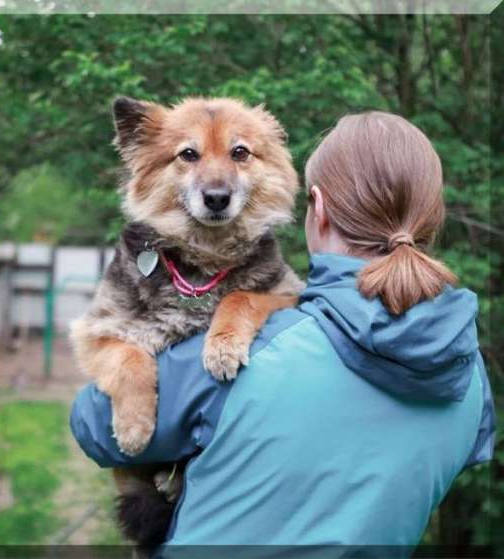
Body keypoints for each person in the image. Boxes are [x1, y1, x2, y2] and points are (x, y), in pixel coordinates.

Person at [70, 111, 495, 554]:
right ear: (431, 217)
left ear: (320, 208)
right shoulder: (470, 378)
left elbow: (92, 425)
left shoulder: (256, 350)